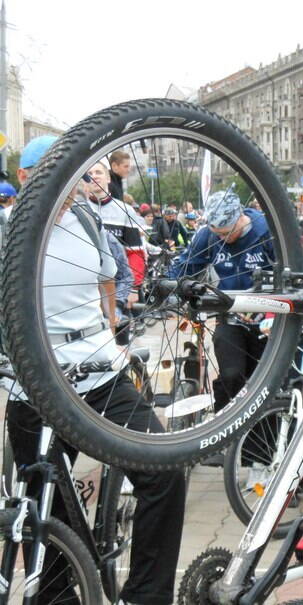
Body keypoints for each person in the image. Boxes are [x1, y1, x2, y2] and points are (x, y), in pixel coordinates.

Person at [11, 137, 185, 604]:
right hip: (32, 385)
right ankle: (60, 596)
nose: (67, 183)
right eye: (51, 171)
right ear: (24, 177)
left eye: (73, 173)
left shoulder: (87, 218)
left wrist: (112, 334)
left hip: (99, 377)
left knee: (164, 471)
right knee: (42, 501)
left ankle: (145, 597)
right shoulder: (7, 232)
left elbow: (109, 277)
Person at [169, 190, 275, 413]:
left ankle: (264, 429)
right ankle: (221, 421)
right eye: (218, 234)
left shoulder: (266, 230)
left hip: (267, 317)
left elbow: (289, 273)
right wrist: (166, 286)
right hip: (230, 315)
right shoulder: (207, 235)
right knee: (231, 374)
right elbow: (185, 266)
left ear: (239, 217)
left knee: (262, 378)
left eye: (227, 233)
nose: (223, 239)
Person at [83, 161, 148, 296]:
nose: (94, 176)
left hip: (119, 284)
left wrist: (133, 289)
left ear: (108, 178)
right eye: (89, 174)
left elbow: (135, 252)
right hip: (87, 284)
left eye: (98, 172)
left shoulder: (126, 210)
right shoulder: (79, 210)